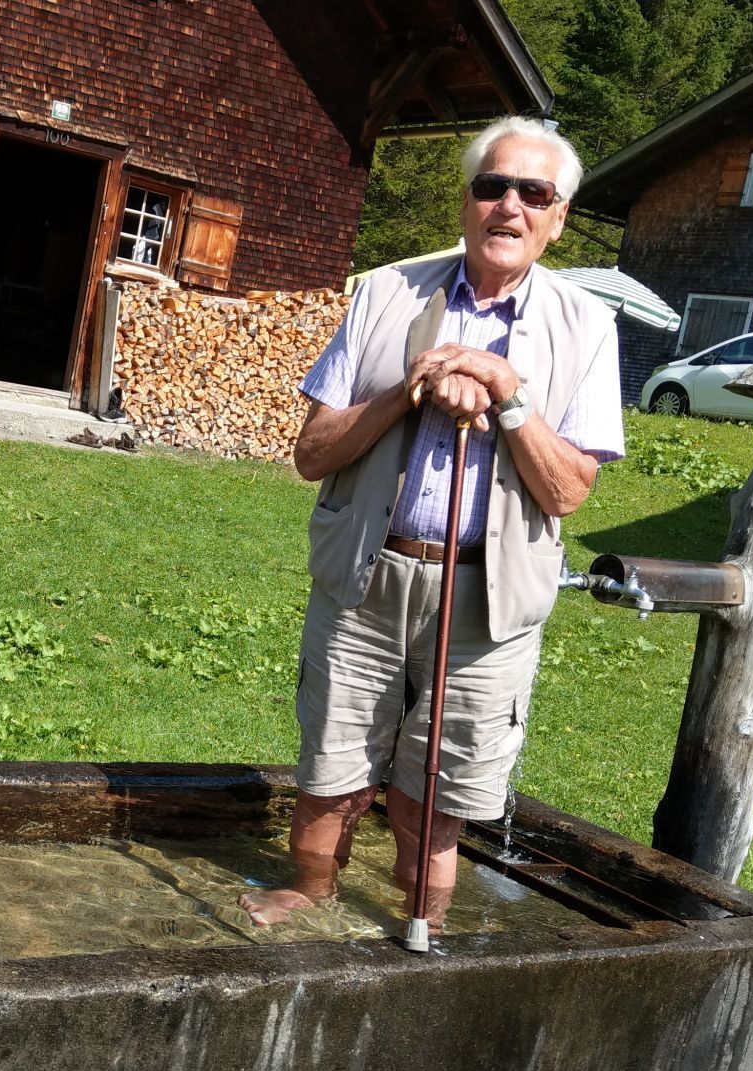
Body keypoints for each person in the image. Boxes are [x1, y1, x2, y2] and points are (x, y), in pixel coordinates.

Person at [240, 117, 625, 931]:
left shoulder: (587, 325)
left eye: (534, 193)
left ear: (558, 218)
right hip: (368, 577)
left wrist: (509, 395)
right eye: (493, 186)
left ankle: (426, 924)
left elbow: (567, 492)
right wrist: (406, 394)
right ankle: (308, 896)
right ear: (467, 200)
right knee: (330, 768)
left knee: (438, 793)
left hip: (487, 597)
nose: (509, 207)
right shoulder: (386, 292)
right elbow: (313, 452)